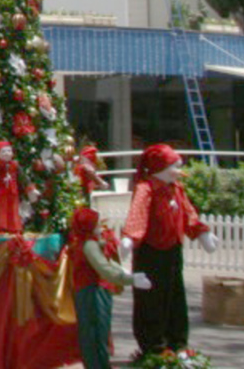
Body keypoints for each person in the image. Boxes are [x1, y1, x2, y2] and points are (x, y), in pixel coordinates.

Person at [120, 144, 219, 358]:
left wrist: (202, 234)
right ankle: (154, 346)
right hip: (151, 252)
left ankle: (178, 343)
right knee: (152, 299)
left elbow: (189, 214)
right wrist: (130, 238)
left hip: (173, 250)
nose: (178, 170)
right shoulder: (146, 188)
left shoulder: (176, 188)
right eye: (174, 165)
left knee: (175, 297)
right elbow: (138, 213)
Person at [69, 206, 151, 369]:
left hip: (93, 292)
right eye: (97, 225)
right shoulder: (89, 246)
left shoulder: (87, 243)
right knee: (96, 333)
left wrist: (123, 271)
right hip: (93, 293)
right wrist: (130, 279)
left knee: (97, 333)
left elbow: (107, 262)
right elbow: (104, 269)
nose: (100, 227)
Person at [0, 140, 38, 233]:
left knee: (12, 209)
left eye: (9, 151)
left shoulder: (15, 165)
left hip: (12, 191)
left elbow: (23, 177)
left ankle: (13, 226)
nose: (7, 154)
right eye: (3, 151)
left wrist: (30, 189)